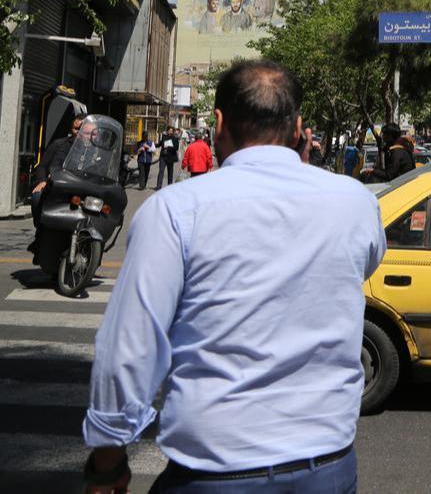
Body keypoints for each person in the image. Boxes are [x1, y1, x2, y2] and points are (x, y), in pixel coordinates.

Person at [81, 59, 386, 493]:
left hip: (213, 474)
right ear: (299, 128)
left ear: (218, 123)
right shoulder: (355, 203)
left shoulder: (175, 210)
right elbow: (362, 262)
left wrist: (108, 459)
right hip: (327, 468)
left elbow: (129, 350)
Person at [28, 115, 84, 253]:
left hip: (83, 191)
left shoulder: (93, 150)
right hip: (59, 188)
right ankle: (40, 232)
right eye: (77, 129)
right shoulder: (59, 144)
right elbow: (42, 166)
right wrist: (42, 181)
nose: (80, 132)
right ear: (72, 129)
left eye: (83, 129)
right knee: (37, 197)